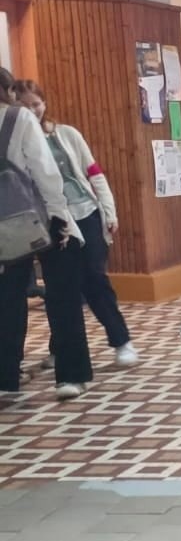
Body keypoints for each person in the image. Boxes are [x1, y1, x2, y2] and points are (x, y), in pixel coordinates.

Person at [13, 81, 137, 367]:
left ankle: (121, 340)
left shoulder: (67, 134)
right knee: (59, 286)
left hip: (85, 213)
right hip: (49, 221)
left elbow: (94, 174)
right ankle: (61, 348)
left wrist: (109, 212)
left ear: (44, 103)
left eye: (36, 104)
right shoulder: (16, 142)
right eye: (25, 106)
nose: (33, 111)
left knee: (94, 278)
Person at [0, 67, 89, 403]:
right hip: (39, 215)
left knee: (7, 299)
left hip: (3, 224)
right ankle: (70, 375)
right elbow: (44, 170)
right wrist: (60, 214)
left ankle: (6, 378)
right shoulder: (18, 118)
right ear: (8, 90)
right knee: (63, 295)